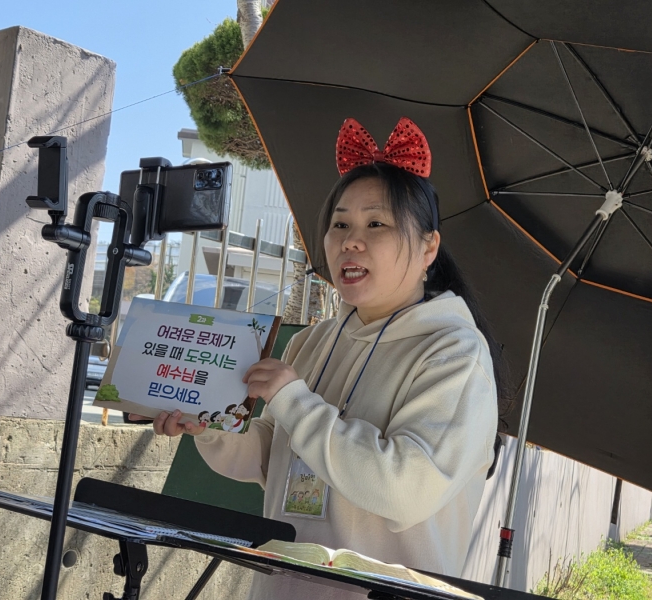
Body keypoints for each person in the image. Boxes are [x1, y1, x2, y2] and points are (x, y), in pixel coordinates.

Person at [141, 117, 508, 600]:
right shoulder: (311, 343)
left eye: (376, 223)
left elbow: (405, 491)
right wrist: (210, 425)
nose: (351, 240)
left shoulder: (454, 353)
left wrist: (294, 400)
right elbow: (271, 459)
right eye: (340, 224)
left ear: (428, 248)